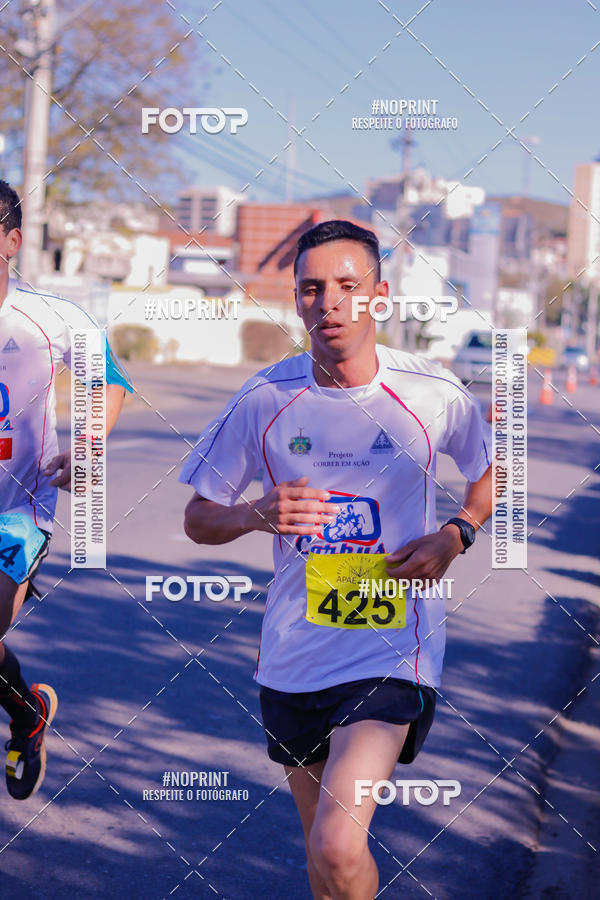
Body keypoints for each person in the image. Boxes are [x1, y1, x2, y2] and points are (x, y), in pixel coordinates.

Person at [180, 219, 493, 899]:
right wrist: (254, 513)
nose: (330, 303)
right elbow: (198, 517)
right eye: (313, 288)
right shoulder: (265, 399)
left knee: (337, 842)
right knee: (326, 864)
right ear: (295, 299)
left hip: (390, 651)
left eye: (348, 287)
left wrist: (456, 533)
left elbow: (499, 466)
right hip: (294, 656)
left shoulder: (430, 393)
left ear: (379, 296)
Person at [0, 180, 132, 800]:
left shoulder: (51, 318)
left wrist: (84, 446)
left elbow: (107, 383)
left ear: (12, 241)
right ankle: (28, 714)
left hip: (14, 511)